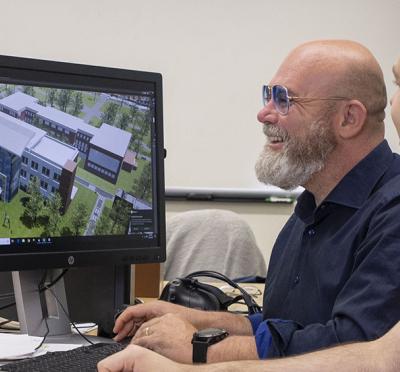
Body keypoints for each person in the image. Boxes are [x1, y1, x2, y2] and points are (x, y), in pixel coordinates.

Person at [108, 40, 400, 364]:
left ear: (348, 119)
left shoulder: (393, 212)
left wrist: (201, 348)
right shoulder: (309, 212)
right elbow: (284, 329)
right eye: (268, 95)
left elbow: (356, 348)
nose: (264, 113)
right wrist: (191, 319)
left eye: (284, 100)